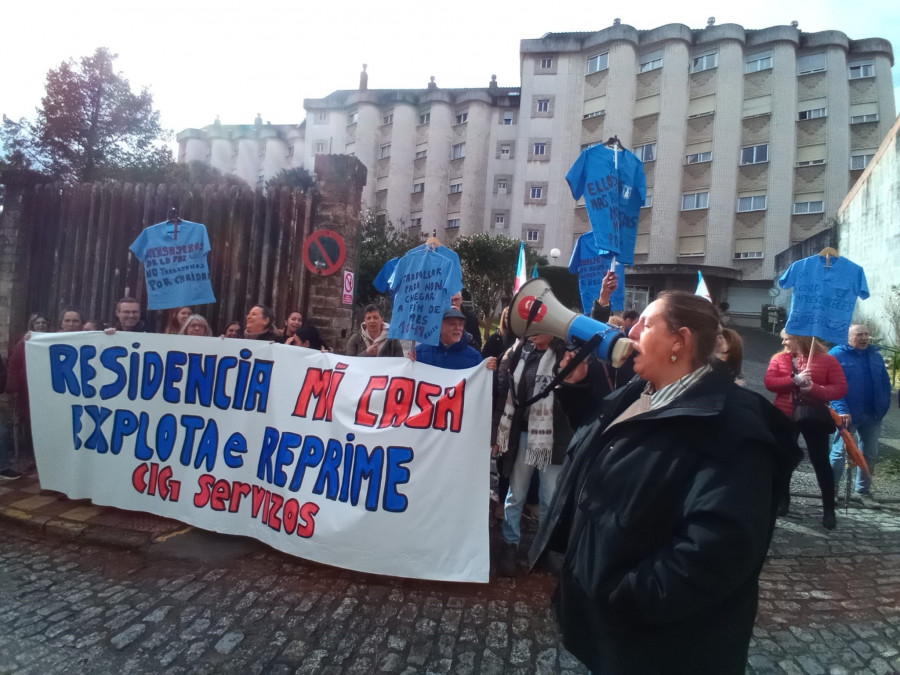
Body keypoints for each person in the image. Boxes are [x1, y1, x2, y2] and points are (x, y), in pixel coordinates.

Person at [531, 291, 801, 675]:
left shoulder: (732, 427)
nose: (631, 330)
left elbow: (719, 550)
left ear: (680, 340)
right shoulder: (639, 392)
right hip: (613, 630)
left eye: (646, 323)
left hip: (659, 646)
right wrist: (575, 389)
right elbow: (611, 446)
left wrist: (624, 596)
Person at [492, 333, 575, 577]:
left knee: (549, 498)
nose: (533, 332)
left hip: (554, 438)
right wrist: (498, 431)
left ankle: (545, 548)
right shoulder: (521, 352)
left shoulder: (565, 353)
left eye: (540, 326)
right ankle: (510, 543)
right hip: (522, 434)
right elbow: (506, 390)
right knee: (515, 493)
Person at [765, 331, 847, 529]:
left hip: (813, 416)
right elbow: (770, 383)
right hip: (785, 416)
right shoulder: (779, 358)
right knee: (785, 460)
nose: (783, 342)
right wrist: (794, 379)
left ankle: (829, 509)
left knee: (820, 461)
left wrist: (813, 388)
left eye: (787, 338)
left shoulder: (828, 360)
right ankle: (783, 501)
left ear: (800, 339)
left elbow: (840, 388)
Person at [829, 324, 892, 504]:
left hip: (872, 415)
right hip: (846, 415)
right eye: (859, 334)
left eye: (866, 334)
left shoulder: (875, 355)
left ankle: (863, 492)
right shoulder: (836, 355)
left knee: (870, 454)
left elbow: (885, 384)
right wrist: (841, 410)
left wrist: (883, 406)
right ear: (847, 337)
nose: (864, 338)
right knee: (839, 453)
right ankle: (831, 492)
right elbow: (832, 386)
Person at [6, 313, 51, 474]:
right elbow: (14, 365)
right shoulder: (24, 342)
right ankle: (32, 457)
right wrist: (13, 388)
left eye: (43, 322)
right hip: (28, 392)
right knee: (30, 426)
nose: (41, 325)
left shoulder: (54, 339)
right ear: (32, 325)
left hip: (49, 393)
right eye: (37, 323)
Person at [413, 308, 488, 370]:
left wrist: (488, 368)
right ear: (440, 326)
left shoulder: (475, 358)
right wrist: (409, 363)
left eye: (461, 325)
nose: (458, 328)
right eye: (452, 324)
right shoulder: (420, 353)